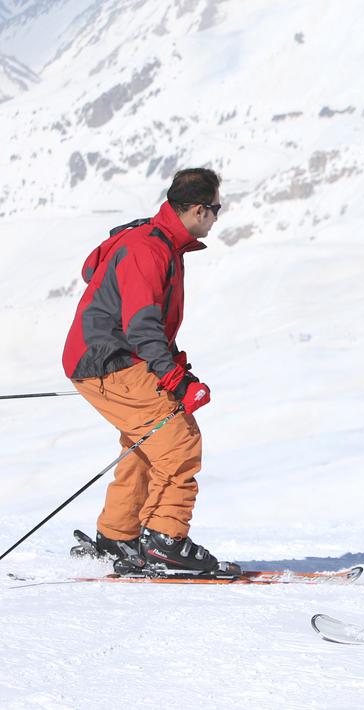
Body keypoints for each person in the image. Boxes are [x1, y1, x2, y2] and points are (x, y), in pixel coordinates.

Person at [61, 168, 222, 572]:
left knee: (147, 441)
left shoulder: (160, 242)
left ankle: (119, 536)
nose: (218, 217)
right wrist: (174, 379)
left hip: (114, 356)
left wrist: (171, 364)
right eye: (217, 209)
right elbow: (141, 324)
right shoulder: (148, 249)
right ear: (199, 209)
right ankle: (166, 540)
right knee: (178, 440)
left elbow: (144, 322)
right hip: (109, 360)